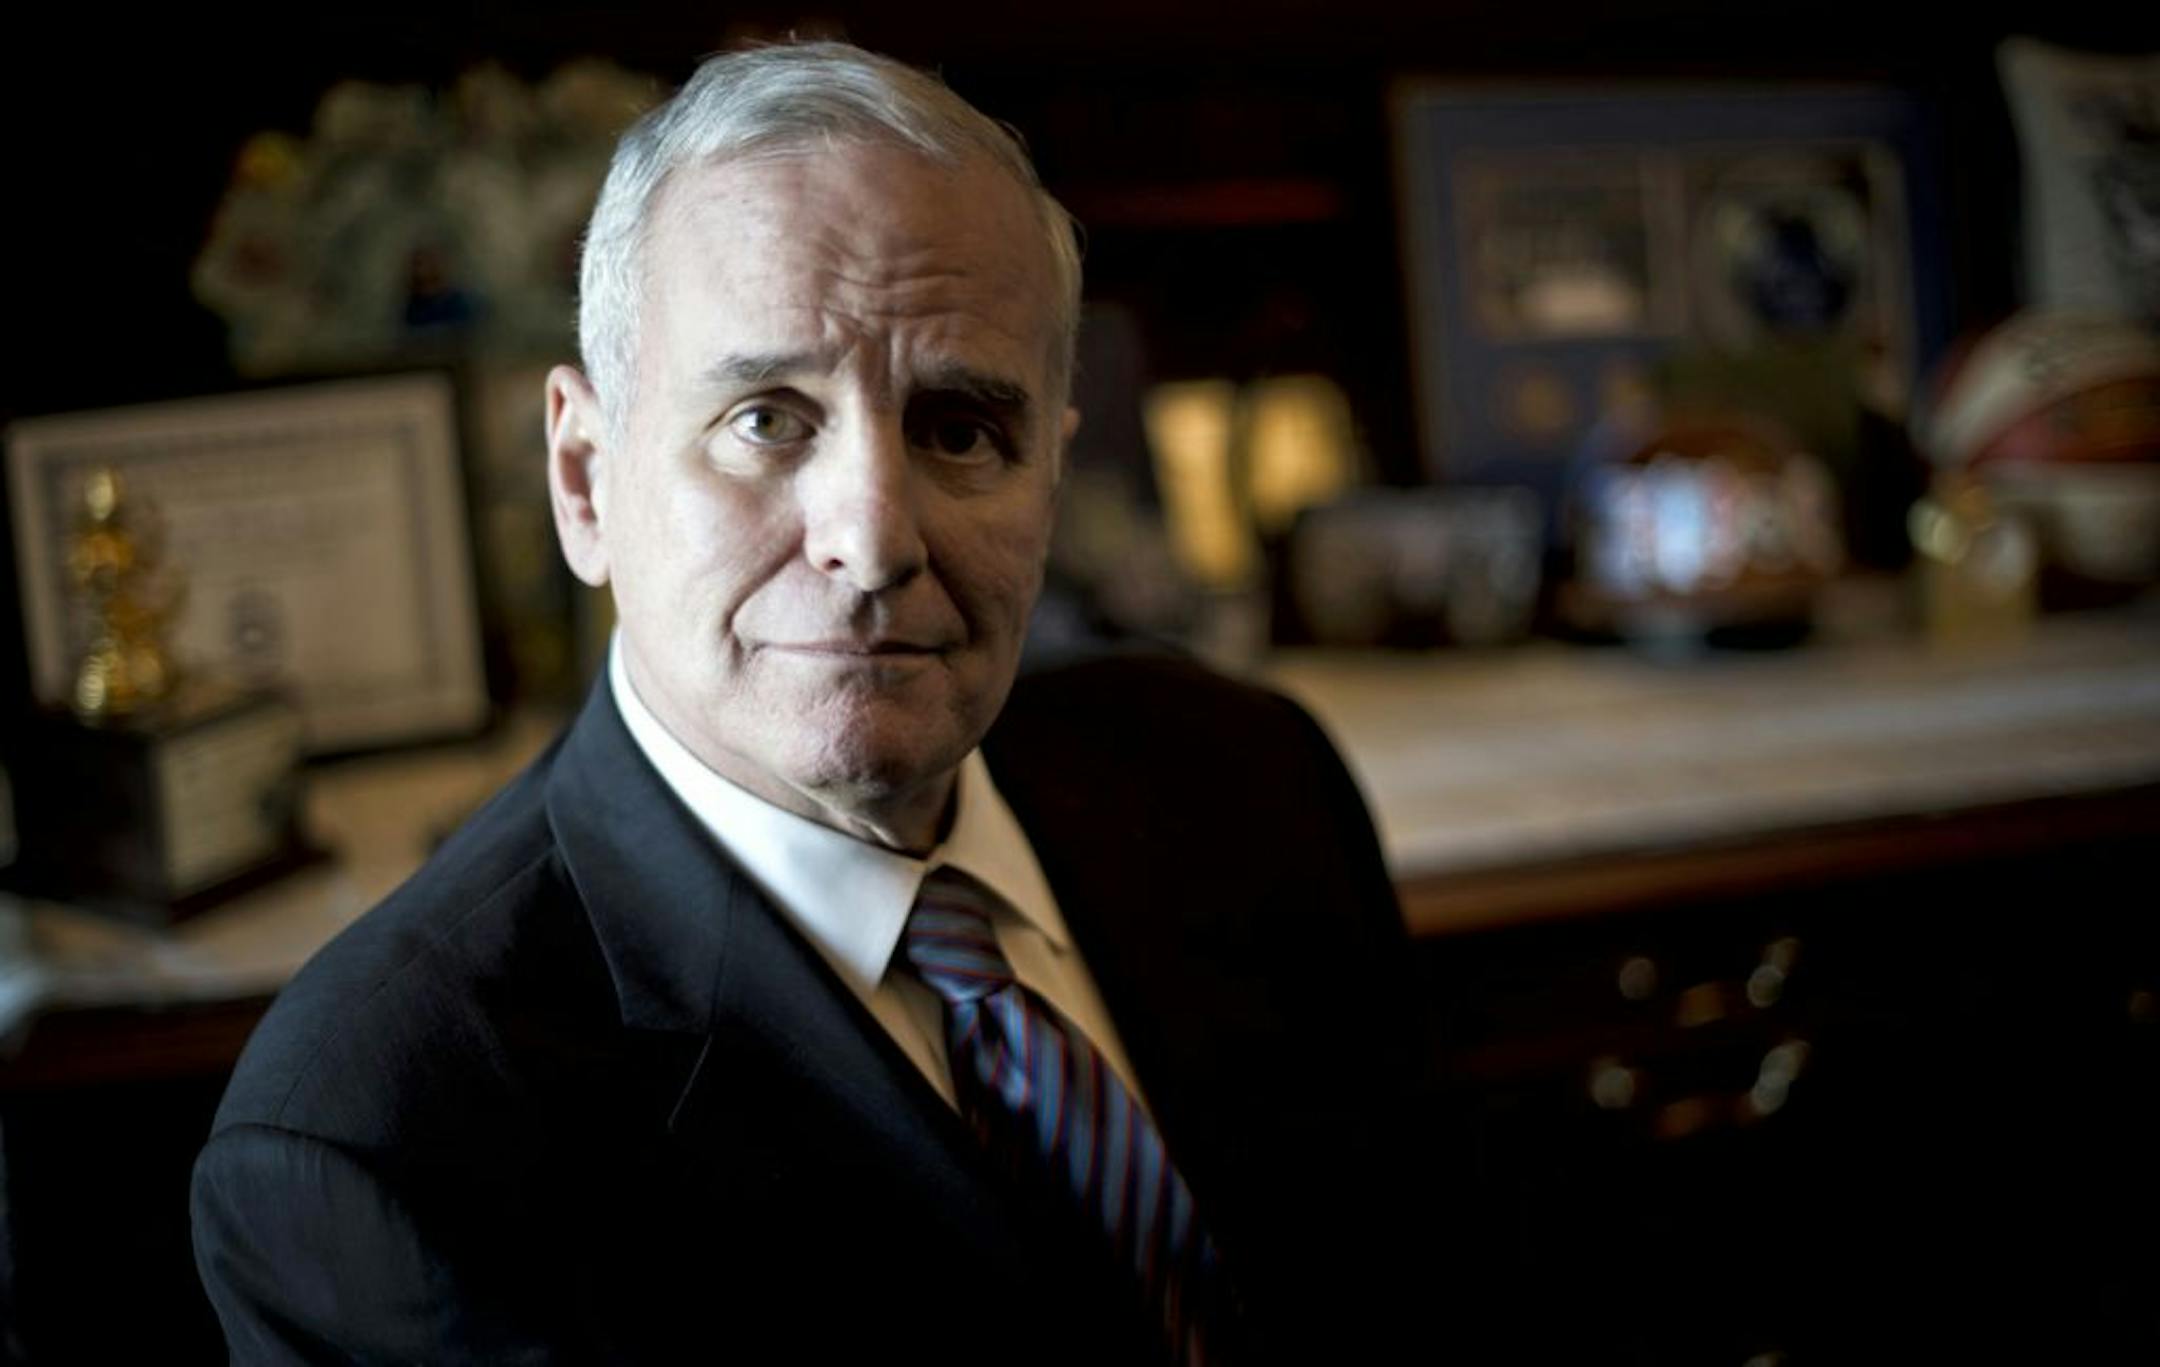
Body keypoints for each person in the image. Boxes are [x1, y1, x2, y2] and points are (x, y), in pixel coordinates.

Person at [192, 41, 1420, 1365]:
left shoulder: (1249, 782)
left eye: (959, 428)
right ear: (586, 480)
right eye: (768, 420)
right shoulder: (381, 1134)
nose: (873, 539)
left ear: (1050, 482)